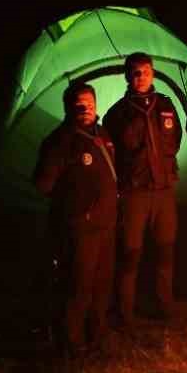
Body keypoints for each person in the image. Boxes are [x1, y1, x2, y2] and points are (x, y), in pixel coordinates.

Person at [32, 80, 117, 354]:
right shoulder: (60, 141)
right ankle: (71, 339)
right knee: (79, 283)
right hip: (80, 227)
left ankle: (97, 332)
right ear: (69, 108)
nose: (86, 109)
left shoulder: (102, 134)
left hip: (106, 223)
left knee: (102, 283)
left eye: (90, 104)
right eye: (79, 105)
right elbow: (43, 184)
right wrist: (74, 209)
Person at [103, 52, 183, 323]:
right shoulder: (117, 114)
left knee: (165, 250)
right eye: (136, 72)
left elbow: (175, 142)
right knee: (130, 252)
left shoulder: (166, 106)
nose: (142, 77)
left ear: (153, 74)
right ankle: (125, 310)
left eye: (146, 71)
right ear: (128, 76)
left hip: (163, 191)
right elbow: (111, 155)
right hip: (134, 193)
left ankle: (165, 305)